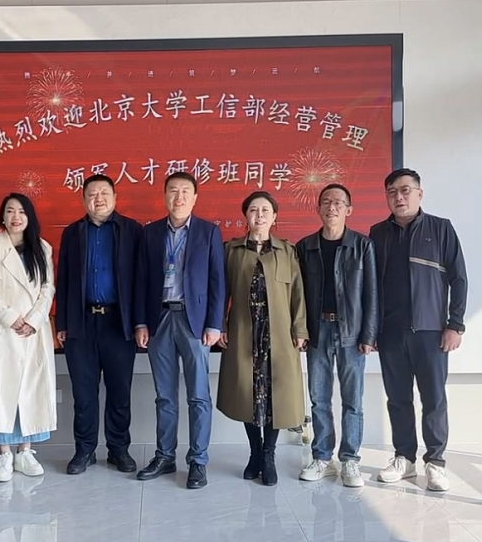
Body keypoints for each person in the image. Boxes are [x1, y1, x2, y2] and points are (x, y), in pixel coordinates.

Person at [369, 168, 468, 492]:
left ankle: (435, 462)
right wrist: (372, 330)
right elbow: (371, 285)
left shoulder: (441, 229)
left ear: (419, 194)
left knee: (434, 399)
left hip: (431, 332)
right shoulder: (378, 233)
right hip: (390, 332)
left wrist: (455, 325)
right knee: (398, 399)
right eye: (392, 192)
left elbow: (459, 279)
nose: (399, 197)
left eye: (405, 190)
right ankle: (404, 458)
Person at [134, 172, 226, 490]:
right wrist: (141, 322)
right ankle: (165, 456)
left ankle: (198, 461)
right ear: (164, 196)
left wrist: (215, 323)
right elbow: (141, 279)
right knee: (164, 395)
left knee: (198, 395)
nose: (179, 197)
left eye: (186, 191)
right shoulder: (150, 233)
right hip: (159, 319)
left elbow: (218, 281)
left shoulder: (209, 232)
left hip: (194, 322)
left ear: (195, 197)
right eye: (173, 190)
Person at [217, 191, 308, 487]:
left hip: (278, 336)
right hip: (244, 332)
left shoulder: (287, 251)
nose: (259, 215)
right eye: (253, 210)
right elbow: (220, 292)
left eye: (265, 210)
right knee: (246, 392)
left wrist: (300, 330)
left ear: (274, 216)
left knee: (275, 396)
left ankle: (268, 455)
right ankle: (254, 451)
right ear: (246, 216)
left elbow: (297, 294)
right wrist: (220, 324)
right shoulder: (231, 250)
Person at [56, 175, 143, 475]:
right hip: (81, 323)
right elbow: (63, 279)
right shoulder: (73, 233)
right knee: (84, 393)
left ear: (116, 198)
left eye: (104, 193)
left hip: (119, 323)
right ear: (83, 200)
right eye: (92, 194)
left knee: (119, 391)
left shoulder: (132, 230)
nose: (99, 199)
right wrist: (62, 321)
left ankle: (119, 449)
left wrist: (139, 322)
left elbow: (141, 280)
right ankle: (85, 450)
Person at [295, 184, 378, 488]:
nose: (332, 207)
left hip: (351, 333)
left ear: (349, 210)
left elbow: (372, 292)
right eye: (326, 202)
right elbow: (298, 294)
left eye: (339, 203)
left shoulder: (363, 246)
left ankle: (350, 459)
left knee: (352, 400)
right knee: (319, 398)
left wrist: (369, 334)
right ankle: (322, 457)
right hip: (317, 330)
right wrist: (301, 330)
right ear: (318, 208)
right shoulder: (305, 247)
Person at [0, 193, 56, 483]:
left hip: (32, 330)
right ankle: (5, 454)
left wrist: (33, 320)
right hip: (0, 329)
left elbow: (48, 289)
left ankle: (25, 452)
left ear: (29, 217)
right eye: (10, 211)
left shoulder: (42, 248)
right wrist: (10, 317)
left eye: (21, 211)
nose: (16, 217)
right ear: (2, 217)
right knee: (0, 392)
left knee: (30, 391)